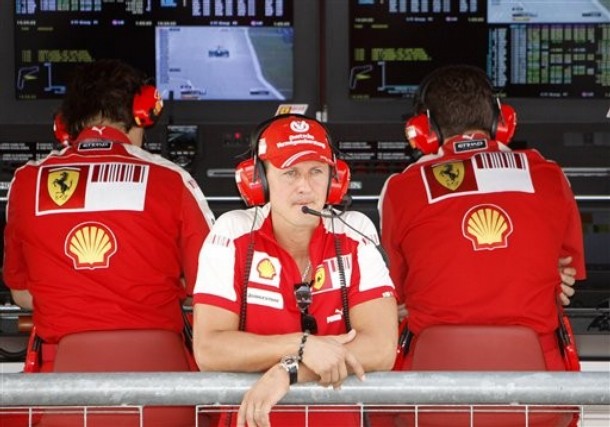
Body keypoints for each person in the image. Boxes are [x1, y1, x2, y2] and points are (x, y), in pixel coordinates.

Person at [3, 59, 215, 370]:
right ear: (142, 112)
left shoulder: (25, 182)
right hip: (163, 379)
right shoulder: (172, 179)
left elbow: (22, 294)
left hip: (61, 382)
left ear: (64, 124)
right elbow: (211, 290)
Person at [192, 114, 397, 427]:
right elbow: (209, 350)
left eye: (316, 171)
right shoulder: (231, 232)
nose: (305, 186)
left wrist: (289, 370)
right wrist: (301, 345)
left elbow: (381, 348)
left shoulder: (355, 231)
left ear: (335, 179)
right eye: (290, 173)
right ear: (258, 181)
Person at [378, 64, 586, 371]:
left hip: (428, 381)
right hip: (537, 382)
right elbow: (567, 272)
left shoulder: (399, 189)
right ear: (503, 121)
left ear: (423, 130)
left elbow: (393, 293)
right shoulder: (551, 177)